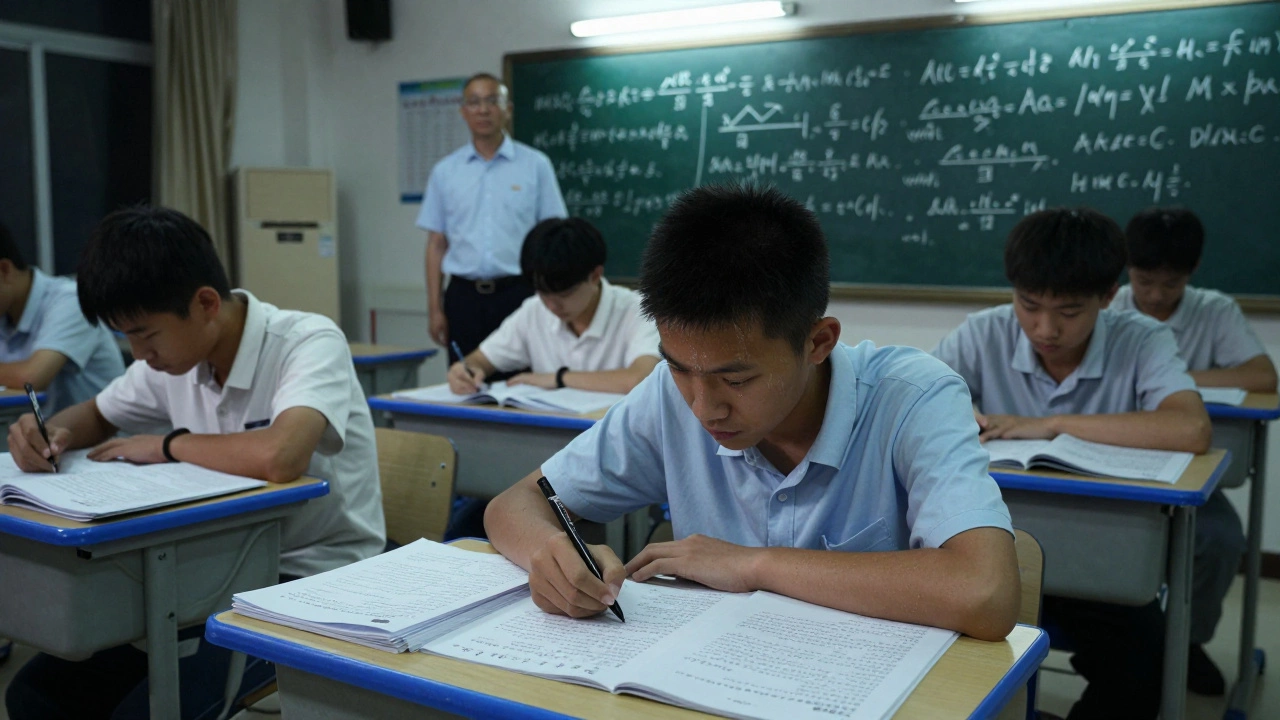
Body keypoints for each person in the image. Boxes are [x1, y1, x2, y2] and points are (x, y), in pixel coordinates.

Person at [484, 184, 1021, 643]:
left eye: (736, 379)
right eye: (679, 369)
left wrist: (752, 563)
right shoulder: (671, 395)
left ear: (817, 342)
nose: (703, 405)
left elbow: (986, 592)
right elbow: (516, 503)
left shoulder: (915, 397)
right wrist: (550, 551)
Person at [4, 206, 386, 720]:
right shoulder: (173, 359)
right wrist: (50, 430)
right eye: (127, 338)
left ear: (206, 303)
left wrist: (167, 444)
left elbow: (281, 455)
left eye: (145, 335)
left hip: (309, 582)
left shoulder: (306, 341)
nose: (140, 355)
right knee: (35, 696)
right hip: (204, 573)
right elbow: (96, 413)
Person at [932, 206, 1212, 720]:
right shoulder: (983, 332)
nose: (1045, 328)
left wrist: (1052, 424)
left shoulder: (1142, 339)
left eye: (1069, 311)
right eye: (1029, 304)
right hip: (991, 560)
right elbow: (917, 408)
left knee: (1145, 653)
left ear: (1108, 297)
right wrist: (957, 413)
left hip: (1101, 565)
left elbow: (1190, 428)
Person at [1110, 206, 1274, 695]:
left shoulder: (1214, 310)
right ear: (1126, 271)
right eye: (1144, 281)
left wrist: (1168, 381)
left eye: (1172, 283)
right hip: (1111, 469)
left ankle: (1185, 643)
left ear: (1192, 274)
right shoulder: (1104, 306)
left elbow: (1263, 376)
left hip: (1182, 472)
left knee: (1222, 540)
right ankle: (1126, 644)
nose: (1157, 296)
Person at [418, 72, 567, 363]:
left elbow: (552, 237)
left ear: (508, 110)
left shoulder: (535, 165)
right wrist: (435, 308)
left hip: (520, 294)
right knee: (465, 384)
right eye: (474, 102)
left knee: (522, 383)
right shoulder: (445, 171)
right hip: (463, 297)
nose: (483, 109)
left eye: (491, 101)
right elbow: (436, 244)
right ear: (463, 111)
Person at [447, 217, 660, 395]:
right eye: (543, 294)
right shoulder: (534, 310)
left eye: (564, 295)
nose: (552, 306)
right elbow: (482, 359)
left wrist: (558, 378)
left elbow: (640, 379)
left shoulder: (638, 310)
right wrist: (466, 370)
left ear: (595, 276)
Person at [0, 221, 125, 413]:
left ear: (5, 270)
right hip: (38, 437)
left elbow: (31, 378)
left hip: (96, 440)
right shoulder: (5, 311)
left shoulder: (72, 301)